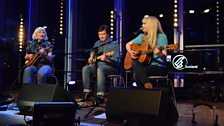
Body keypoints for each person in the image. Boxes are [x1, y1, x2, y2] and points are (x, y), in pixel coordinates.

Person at [126, 15, 168, 89]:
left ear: (151, 25)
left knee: (137, 74)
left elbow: (166, 58)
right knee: (134, 62)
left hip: (158, 67)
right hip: (145, 66)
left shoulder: (162, 37)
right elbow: (128, 44)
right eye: (142, 23)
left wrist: (159, 54)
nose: (142, 25)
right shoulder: (142, 36)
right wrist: (130, 52)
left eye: (144, 24)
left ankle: (144, 93)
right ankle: (147, 85)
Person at [82, 24, 120, 104]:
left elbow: (117, 61)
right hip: (97, 66)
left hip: (111, 68)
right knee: (86, 69)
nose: (101, 36)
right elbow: (93, 51)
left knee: (100, 68)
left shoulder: (114, 44)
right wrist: (91, 56)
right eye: (99, 34)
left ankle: (100, 95)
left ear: (108, 34)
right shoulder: (97, 43)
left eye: (103, 34)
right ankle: (87, 92)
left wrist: (107, 59)